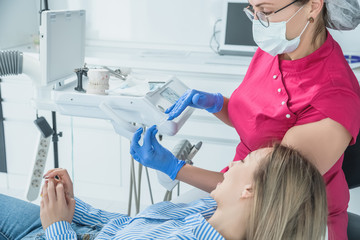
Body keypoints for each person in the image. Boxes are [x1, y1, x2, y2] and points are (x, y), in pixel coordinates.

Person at [130, 0, 360, 239]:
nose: (258, 22)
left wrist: (174, 169)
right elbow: (259, 121)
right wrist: (217, 104)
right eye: (253, 10)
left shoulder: (335, 96)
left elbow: (264, 192)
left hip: (287, 220)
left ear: (313, 5)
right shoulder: (277, 48)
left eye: (266, 11)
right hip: (237, 191)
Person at [0, 144, 327, 240]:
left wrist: (57, 227)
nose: (232, 163)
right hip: (76, 228)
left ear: (248, 189)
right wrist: (72, 209)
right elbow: (132, 226)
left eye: (244, 160)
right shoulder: (204, 210)